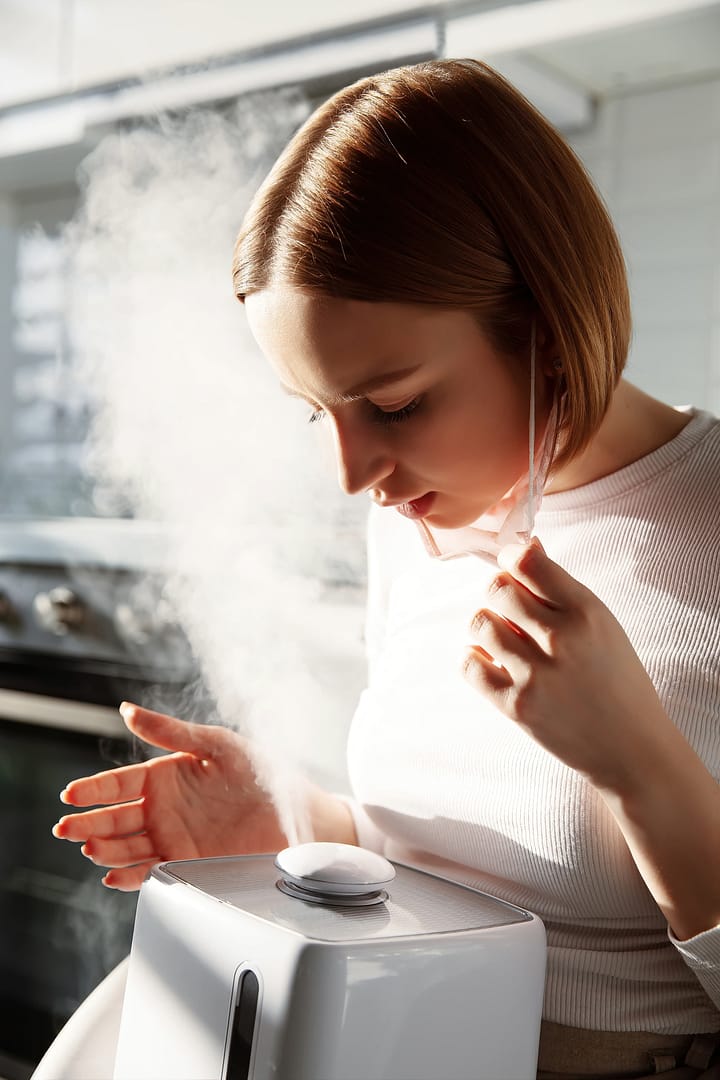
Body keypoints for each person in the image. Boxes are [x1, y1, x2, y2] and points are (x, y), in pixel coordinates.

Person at [53, 59, 720, 1078]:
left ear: (546, 320)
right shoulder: (412, 523)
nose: (356, 475)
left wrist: (641, 764)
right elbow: (456, 870)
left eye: (397, 405)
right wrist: (295, 822)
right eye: (316, 411)